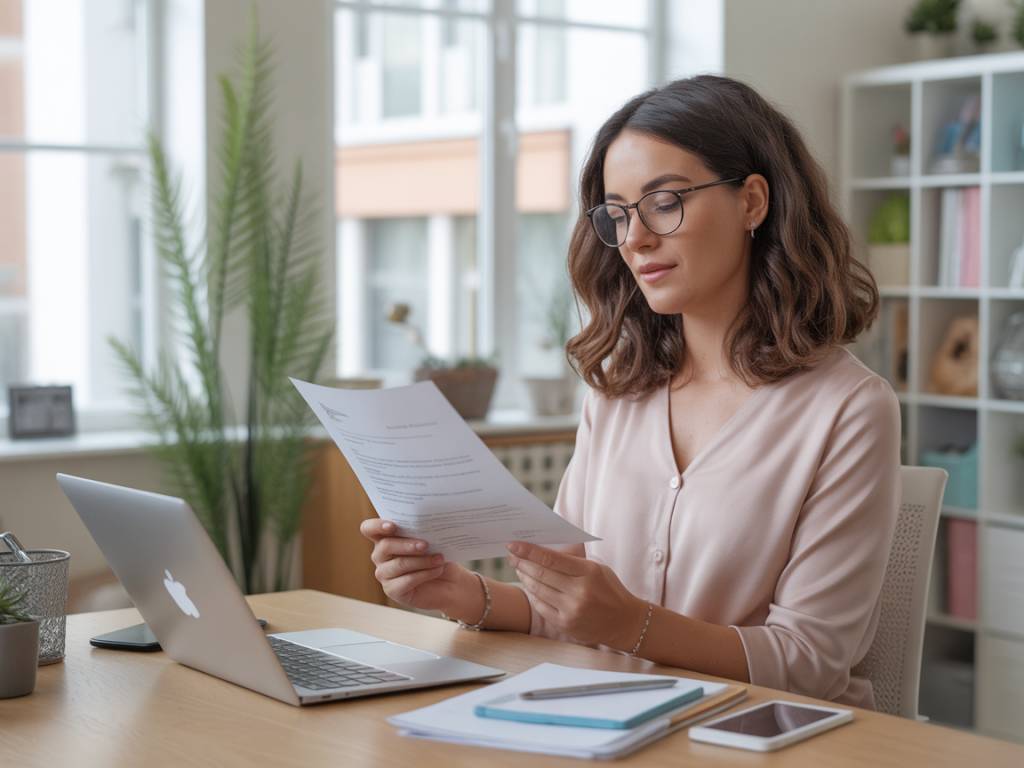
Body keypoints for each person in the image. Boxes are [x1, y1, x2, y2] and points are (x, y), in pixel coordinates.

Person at [360, 74, 900, 709]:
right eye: (616, 214)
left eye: (664, 202)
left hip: (748, 740)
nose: (636, 238)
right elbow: (562, 609)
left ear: (752, 202)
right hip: (602, 722)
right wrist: (460, 594)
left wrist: (630, 625)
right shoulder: (618, 392)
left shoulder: (849, 409)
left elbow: (808, 664)